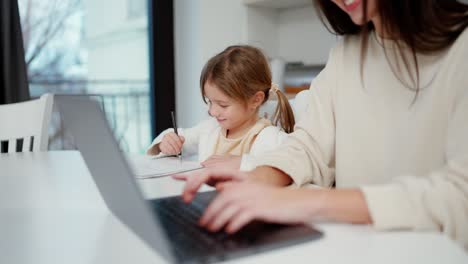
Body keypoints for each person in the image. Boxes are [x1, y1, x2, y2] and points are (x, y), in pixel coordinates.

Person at [174, 0, 468, 250]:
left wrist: (309, 202)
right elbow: (310, 146)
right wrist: (258, 179)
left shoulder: (461, 49)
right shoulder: (347, 53)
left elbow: (460, 197)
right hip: (361, 248)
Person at [147, 45, 296, 171]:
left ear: (255, 100)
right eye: (209, 101)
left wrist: (242, 164)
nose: (212, 112)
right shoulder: (210, 128)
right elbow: (178, 138)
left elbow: (283, 167)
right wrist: (165, 144)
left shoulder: (268, 137)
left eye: (223, 105)